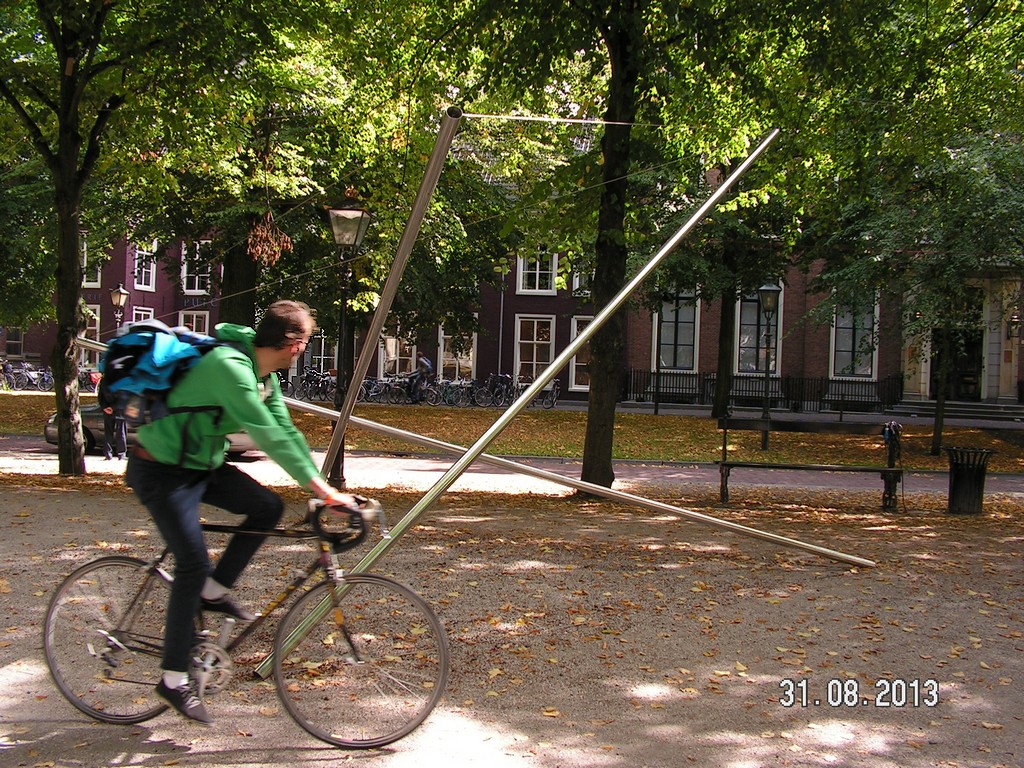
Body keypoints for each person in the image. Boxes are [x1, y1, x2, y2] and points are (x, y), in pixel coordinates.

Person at [125, 300, 358, 725]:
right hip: (160, 469)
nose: (305, 349)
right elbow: (267, 434)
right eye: (305, 340)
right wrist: (325, 492)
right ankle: (174, 680)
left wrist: (325, 489)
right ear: (291, 343)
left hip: (199, 464)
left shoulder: (261, 373)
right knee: (192, 564)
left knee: (267, 507)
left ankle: (213, 590)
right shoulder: (232, 368)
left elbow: (285, 429)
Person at [97, 379, 127, 460]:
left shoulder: (104, 380)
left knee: (109, 431)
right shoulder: (121, 378)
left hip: (109, 410)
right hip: (119, 409)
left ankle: (108, 453)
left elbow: (100, 396)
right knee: (120, 431)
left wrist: (105, 407)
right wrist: (110, 407)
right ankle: (120, 453)